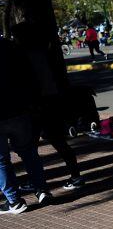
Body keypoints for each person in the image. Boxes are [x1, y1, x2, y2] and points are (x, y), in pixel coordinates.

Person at [12, 22, 85, 192]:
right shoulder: (44, 53)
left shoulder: (25, 56)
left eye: (16, 37)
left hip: (38, 105)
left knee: (30, 146)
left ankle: (35, 180)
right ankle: (75, 176)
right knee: (58, 142)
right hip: (52, 101)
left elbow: (30, 84)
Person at [0, 36, 51, 214]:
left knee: (1, 161)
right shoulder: (10, 47)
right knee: (29, 152)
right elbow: (28, 76)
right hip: (18, 110)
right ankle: (42, 190)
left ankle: (14, 201)